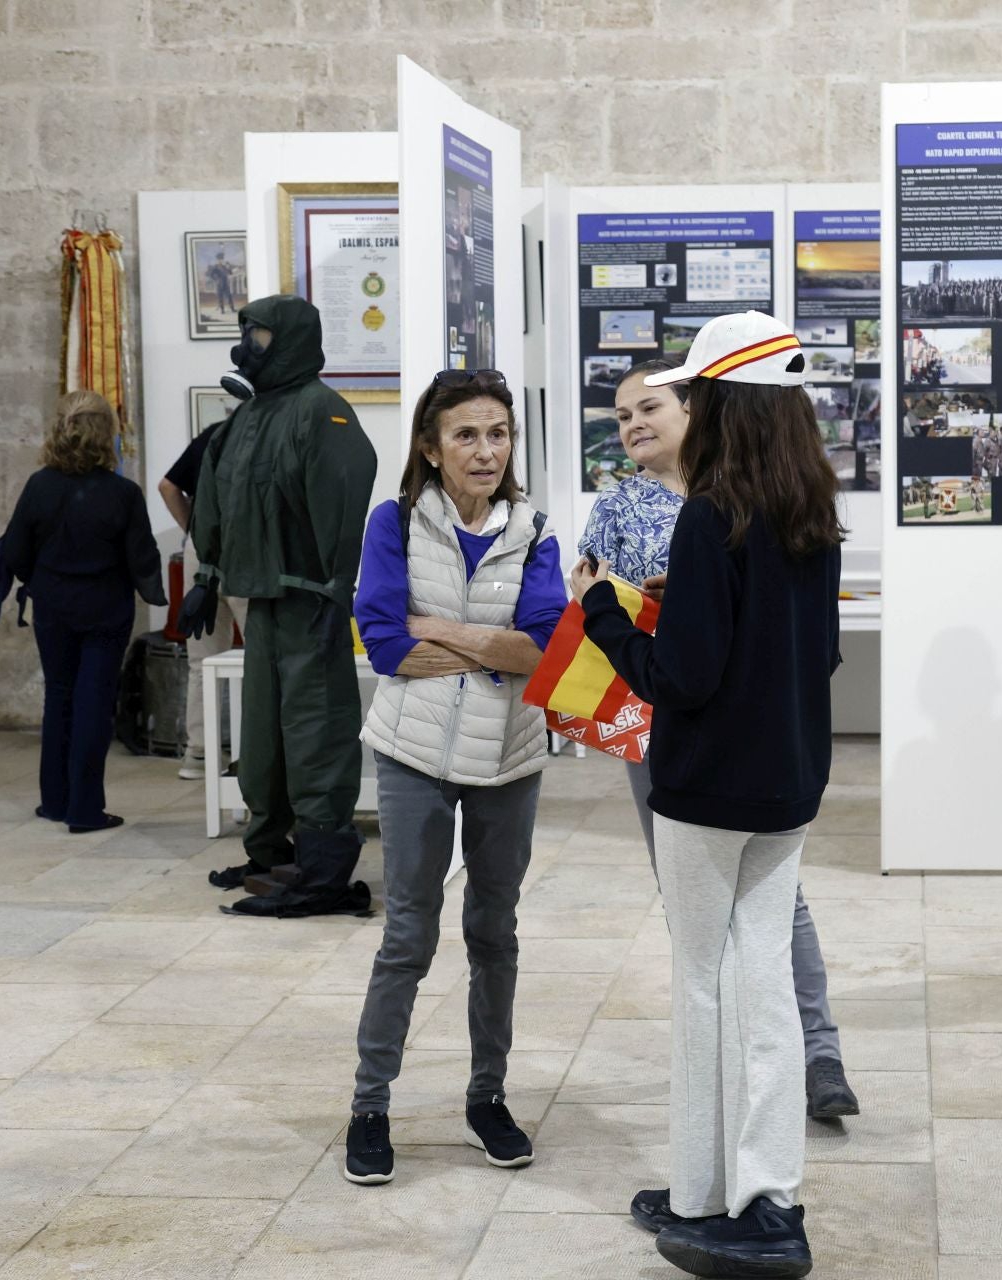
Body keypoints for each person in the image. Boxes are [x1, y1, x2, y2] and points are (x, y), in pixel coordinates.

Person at [572, 311, 840, 1280]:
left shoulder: (710, 513)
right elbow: (822, 653)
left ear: (723, 399)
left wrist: (602, 608)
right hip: (790, 778)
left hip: (705, 784)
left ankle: (740, 1201)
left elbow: (676, 675)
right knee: (760, 976)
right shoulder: (811, 508)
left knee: (703, 981)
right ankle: (729, 1191)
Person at [342, 369, 566, 1187]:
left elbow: (540, 651)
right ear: (431, 450)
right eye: (466, 434)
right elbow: (383, 640)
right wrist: (485, 641)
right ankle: (370, 1108)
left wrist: (436, 625)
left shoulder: (534, 529)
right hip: (414, 756)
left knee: (494, 931)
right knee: (408, 932)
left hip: (508, 759)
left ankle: (487, 1098)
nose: (485, 449)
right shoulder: (394, 523)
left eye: (498, 433)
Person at [184, 295, 378, 917]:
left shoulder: (323, 413)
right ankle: (270, 853)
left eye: (260, 335)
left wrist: (335, 589)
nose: (249, 345)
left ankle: (323, 871)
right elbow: (216, 496)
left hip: (307, 602)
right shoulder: (248, 417)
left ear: (291, 339)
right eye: (246, 334)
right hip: (262, 601)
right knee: (262, 734)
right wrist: (207, 576)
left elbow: (345, 506)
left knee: (315, 731)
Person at [1, 390, 165, 833]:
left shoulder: (40, 485)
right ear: (107, 435)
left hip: (53, 607)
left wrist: (40, 576)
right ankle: (86, 810)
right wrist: (159, 594)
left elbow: (14, 550)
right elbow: (142, 558)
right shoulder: (123, 494)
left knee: (59, 697)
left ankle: (54, 801)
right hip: (106, 611)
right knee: (94, 705)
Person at [158, 416, 246, 783]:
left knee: (203, 661)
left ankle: (198, 753)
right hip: (248, 549)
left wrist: (193, 531)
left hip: (202, 550)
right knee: (261, 659)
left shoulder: (215, 433)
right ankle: (254, 752)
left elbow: (167, 487)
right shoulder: (265, 436)